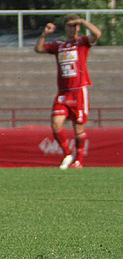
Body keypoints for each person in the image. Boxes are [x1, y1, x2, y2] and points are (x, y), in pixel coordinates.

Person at [34, 14, 102, 169]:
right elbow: (38, 49)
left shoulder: (82, 42)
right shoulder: (59, 45)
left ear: (78, 27)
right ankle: (67, 154)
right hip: (63, 92)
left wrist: (84, 22)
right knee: (56, 123)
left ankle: (78, 161)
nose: (72, 28)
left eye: (74, 25)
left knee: (78, 128)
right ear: (65, 27)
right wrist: (45, 34)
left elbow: (97, 34)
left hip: (79, 91)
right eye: (69, 25)